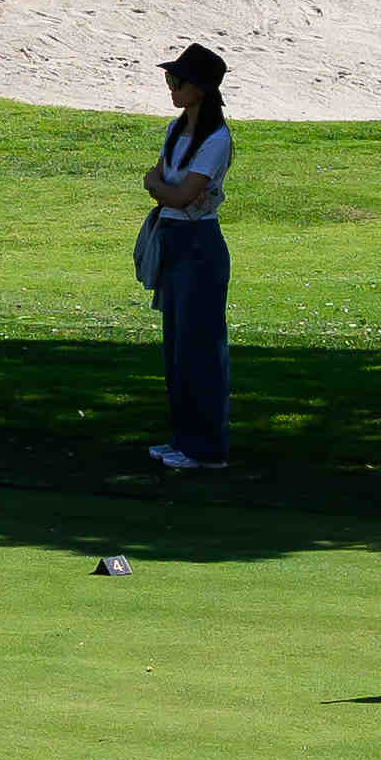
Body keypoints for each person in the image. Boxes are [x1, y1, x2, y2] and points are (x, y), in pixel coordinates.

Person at [138, 47, 235, 472]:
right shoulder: (176, 132)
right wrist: (160, 187)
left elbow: (174, 191)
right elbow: (158, 179)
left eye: (178, 82)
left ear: (200, 90)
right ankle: (183, 440)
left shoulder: (217, 139)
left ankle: (206, 448)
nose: (172, 88)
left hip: (199, 244)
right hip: (174, 238)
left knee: (201, 348)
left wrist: (158, 187)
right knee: (177, 347)